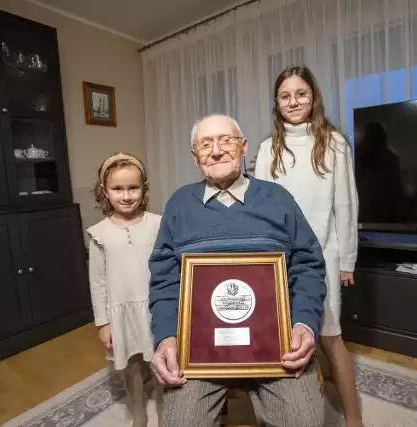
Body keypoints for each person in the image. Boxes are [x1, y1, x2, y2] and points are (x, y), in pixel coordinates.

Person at [148, 114, 327, 427]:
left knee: (305, 421)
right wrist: (165, 337)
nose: (216, 151)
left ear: (243, 147)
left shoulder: (278, 198)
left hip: (276, 343)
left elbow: (308, 262)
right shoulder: (179, 204)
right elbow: (164, 280)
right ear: (195, 157)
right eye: (205, 144)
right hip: (199, 349)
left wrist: (304, 324)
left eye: (225, 140)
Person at [254, 66, 363, 427]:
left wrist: (346, 259)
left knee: (330, 337)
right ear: (276, 102)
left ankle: (353, 418)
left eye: (301, 93)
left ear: (313, 96)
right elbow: (261, 207)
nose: (294, 101)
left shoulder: (334, 143)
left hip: (324, 256)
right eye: (285, 96)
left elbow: (346, 205)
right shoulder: (268, 148)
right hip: (278, 259)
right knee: (286, 335)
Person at [87, 153, 163, 427]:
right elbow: (97, 281)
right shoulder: (99, 233)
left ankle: (167, 411)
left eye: (133, 187)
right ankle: (138, 413)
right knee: (131, 367)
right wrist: (103, 322)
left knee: (160, 363)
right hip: (121, 311)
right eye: (118, 189)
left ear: (145, 189)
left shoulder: (157, 224)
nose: (126, 195)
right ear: (104, 192)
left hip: (155, 308)